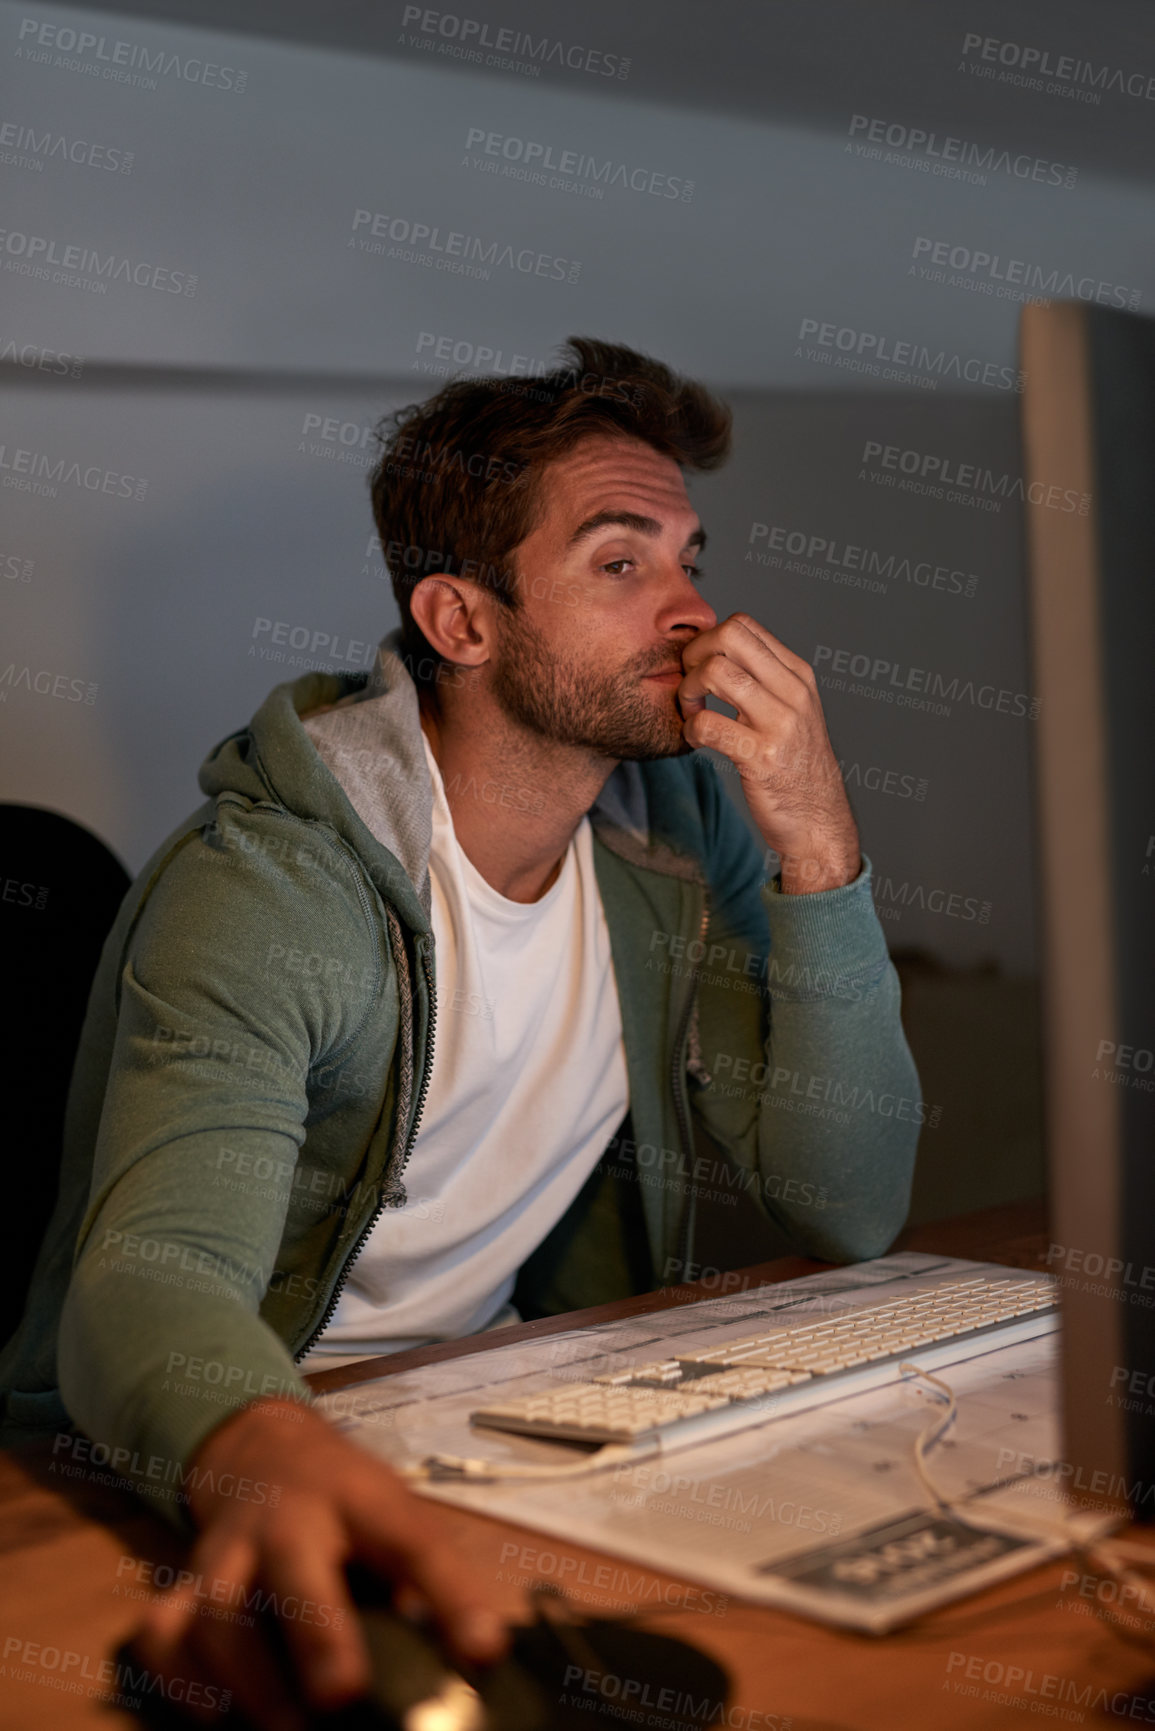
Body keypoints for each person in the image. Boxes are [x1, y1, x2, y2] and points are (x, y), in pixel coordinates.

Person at [0, 337, 920, 1727]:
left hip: (494, 1430)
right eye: (622, 563)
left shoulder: (681, 829)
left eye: (692, 558)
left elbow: (846, 1206)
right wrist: (266, 1447)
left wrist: (817, 838)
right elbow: (149, 1279)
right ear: (461, 621)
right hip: (239, 1456)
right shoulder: (267, 887)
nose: (693, 614)